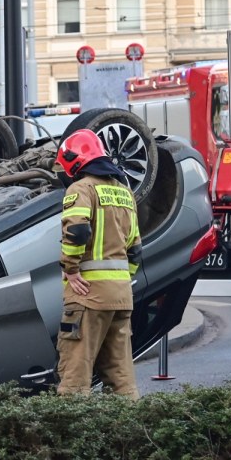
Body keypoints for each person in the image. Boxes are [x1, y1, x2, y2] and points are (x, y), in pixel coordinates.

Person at [55, 129, 143, 400]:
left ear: (74, 161)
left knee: (75, 378)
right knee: (121, 379)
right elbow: (135, 250)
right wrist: (122, 280)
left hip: (88, 297)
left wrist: (71, 269)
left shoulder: (81, 189)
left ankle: (73, 437)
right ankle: (130, 434)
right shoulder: (125, 193)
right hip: (121, 297)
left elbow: (78, 231)